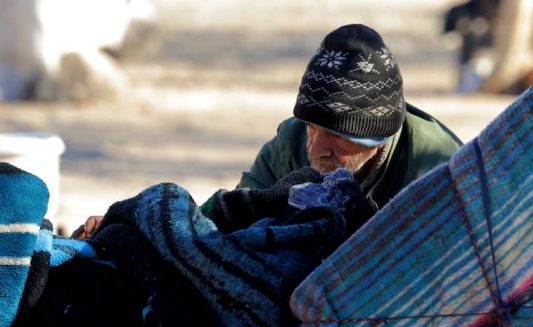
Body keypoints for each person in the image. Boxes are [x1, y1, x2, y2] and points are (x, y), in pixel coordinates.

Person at [73, 24, 462, 241]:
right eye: (313, 127)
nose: (318, 149)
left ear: (376, 140)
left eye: (339, 138)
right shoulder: (290, 143)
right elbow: (229, 220)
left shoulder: (436, 169)